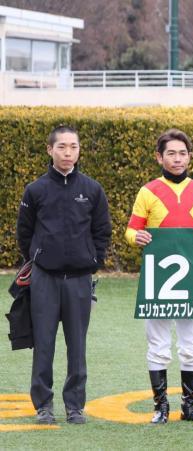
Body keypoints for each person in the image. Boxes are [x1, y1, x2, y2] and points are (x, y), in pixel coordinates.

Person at [124, 129, 193, 424]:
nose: (177, 159)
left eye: (182, 153)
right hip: (159, 279)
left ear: (190, 156)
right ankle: (161, 407)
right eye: (171, 153)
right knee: (158, 344)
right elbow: (131, 229)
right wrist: (136, 238)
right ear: (159, 157)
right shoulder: (148, 191)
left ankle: (189, 407)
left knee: (192, 346)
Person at [16, 125, 111, 425]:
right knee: (43, 343)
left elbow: (102, 231)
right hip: (44, 279)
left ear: (79, 150)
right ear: (50, 150)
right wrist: (37, 259)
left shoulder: (93, 189)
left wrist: (94, 260)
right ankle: (43, 405)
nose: (68, 153)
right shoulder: (35, 190)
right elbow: (24, 233)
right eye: (62, 147)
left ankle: (75, 406)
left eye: (73, 147)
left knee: (77, 345)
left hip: (80, 280)